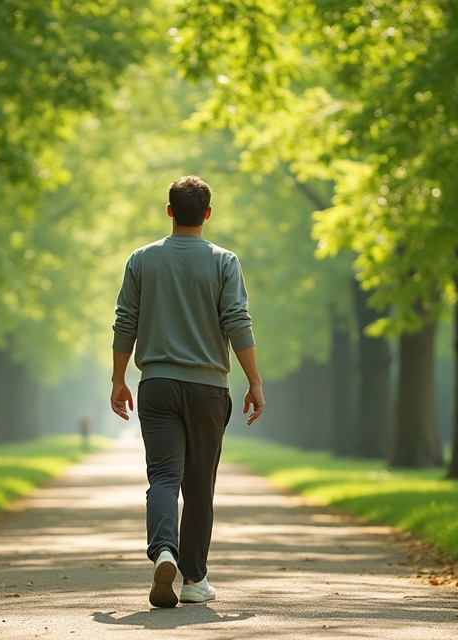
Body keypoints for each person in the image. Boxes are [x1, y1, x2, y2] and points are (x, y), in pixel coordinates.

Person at [109, 175, 266, 609]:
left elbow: (126, 321)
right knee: (199, 486)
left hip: (156, 385)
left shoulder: (141, 260)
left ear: (170, 211)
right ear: (208, 214)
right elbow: (237, 321)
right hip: (208, 389)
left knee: (162, 477)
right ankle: (195, 580)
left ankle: (163, 551)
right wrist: (254, 382)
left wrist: (118, 379)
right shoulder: (224, 261)